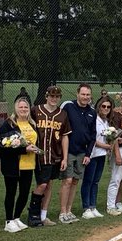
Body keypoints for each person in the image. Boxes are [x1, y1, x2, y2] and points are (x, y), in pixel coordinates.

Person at [0, 95, 39, 233]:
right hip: (13, 165)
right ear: (16, 108)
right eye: (20, 107)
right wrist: (23, 149)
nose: (23, 109)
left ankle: (16, 217)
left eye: (26, 107)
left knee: (24, 193)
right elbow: (3, 145)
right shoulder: (9, 124)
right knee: (11, 192)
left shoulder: (32, 124)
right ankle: (8, 220)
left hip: (29, 164)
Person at [28, 86, 69, 227]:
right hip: (39, 155)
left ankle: (43, 215)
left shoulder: (62, 114)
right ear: (46, 96)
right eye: (52, 96)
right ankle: (33, 213)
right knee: (42, 184)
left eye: (57, 96)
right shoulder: (36, 110)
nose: (54, 99)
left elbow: (64, 136)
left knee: (49, 184)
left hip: (55, 154)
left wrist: (64, 157)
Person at [58, 84, 97, 224]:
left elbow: (93, 135)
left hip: (82, 152)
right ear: (77, 94)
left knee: (75, 181)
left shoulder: (92, 112)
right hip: (68, 150)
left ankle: (69, 210)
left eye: (88, 95)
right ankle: (62, 212)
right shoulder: (68, 106)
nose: (85, 97)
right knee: (67, 180)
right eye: (83, 94)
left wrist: (88, 154)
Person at [81, 96, 113, 218]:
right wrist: (106, 145)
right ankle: (86, 207)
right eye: (103, 106)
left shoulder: (106, 121)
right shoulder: (94, 118)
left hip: (101, 154)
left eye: (108, 107)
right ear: (98, 107)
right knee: (88, 180)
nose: (106, 109)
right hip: (93, 153)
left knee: (96, 181)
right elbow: (92, 138)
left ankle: (93, 206)